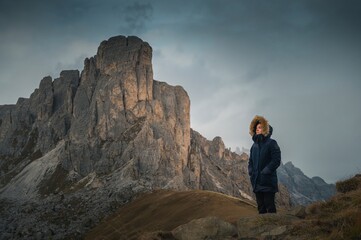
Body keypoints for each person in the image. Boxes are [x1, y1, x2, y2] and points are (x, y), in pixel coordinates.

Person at [248, 115, 281, 214]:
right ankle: (263, 229)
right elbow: (251, 161)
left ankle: (274, 227)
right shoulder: (254, 146)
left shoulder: (272, 143)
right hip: (256, 181)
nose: (257, 129)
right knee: (261, 208)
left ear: (265, 129)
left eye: (260, 127)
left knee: (269, 206)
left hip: (268, 181)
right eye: (256, 128)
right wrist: (251, 171)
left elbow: (276, 160)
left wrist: (265, 171)